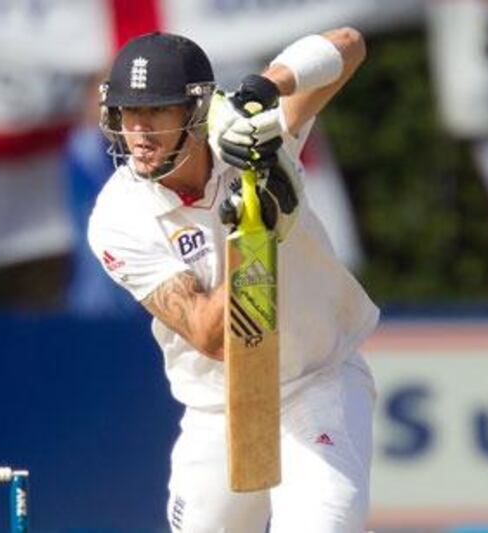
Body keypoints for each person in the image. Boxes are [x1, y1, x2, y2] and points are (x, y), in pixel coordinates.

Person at [87, 29, 379, 532]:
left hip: (316, 381)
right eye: (127, 114)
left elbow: (350, 45)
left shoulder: (251, 134)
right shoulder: (117, 217)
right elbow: (209, 334)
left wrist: (264, 89)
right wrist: (260, 234)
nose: (138, 132)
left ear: (196, 112)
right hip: (214, 409)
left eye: (155, 112)